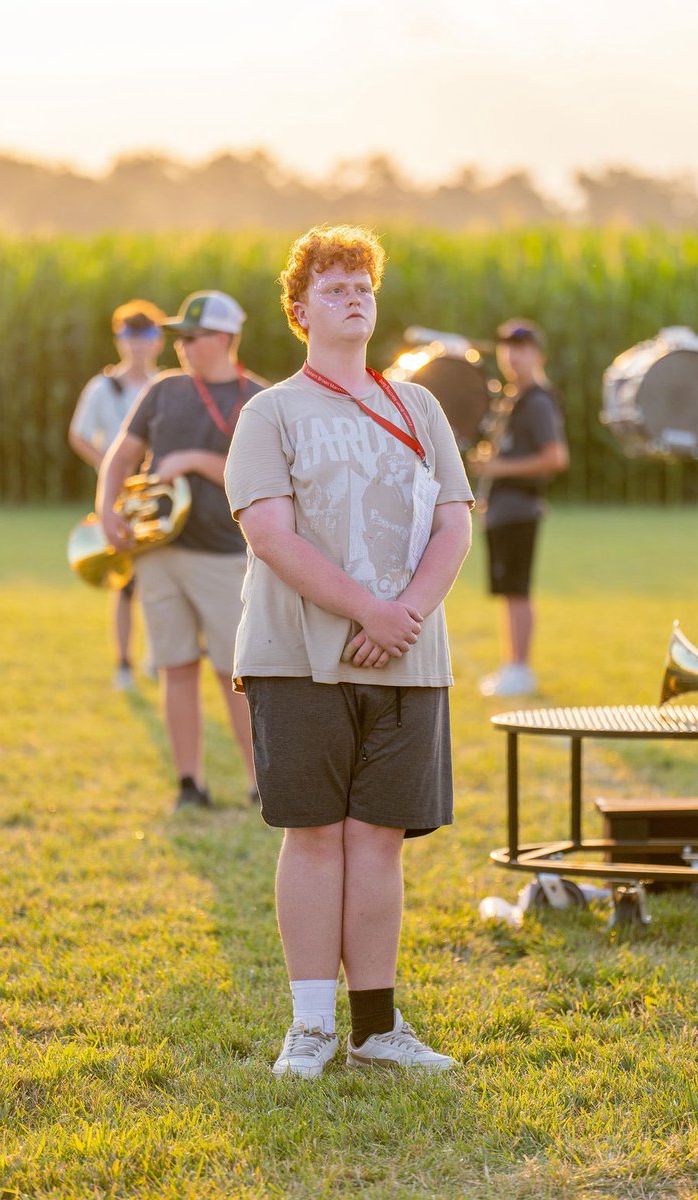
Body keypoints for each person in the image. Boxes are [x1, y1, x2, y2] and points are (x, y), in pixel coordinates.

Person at [224, 225, 473, 1079]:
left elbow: (453, 520)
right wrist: (369, 607)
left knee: (378, 840)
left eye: (362, 282)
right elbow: (268, 534)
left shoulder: (420, 407)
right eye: (333, 286)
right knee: (315, 835)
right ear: (299, 311)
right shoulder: (272, 411)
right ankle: (310, 1026)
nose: (354, 296)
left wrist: (402, 614)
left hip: (409, 654)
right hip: (298, 656)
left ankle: (376, 1027)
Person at [97, 291, 266, 811]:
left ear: (222, 340)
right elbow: (122, 454)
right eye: (180, 338)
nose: (182, 346)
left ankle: (264, 785)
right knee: (175, 668)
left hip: (223, 556)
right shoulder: (164, 390)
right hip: (159, 553)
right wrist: (106, 506)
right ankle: (190, 784)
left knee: (233, 674)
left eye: (191, 337)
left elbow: (262, 477)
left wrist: (192, 459)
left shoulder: (258, 398)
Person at [69, 299, 166, 689]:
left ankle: (158, 658)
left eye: (145, 336)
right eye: (129, 336)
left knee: (160, 582)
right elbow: (78, 435)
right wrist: (111, 467)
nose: (137, 345)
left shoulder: (165, 385)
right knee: (124, 582)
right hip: (120, 499)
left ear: (157, 341)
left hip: (155, 496)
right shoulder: (102, 387)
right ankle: (124, 663)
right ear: (119, 340)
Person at [468, 318, 568, 697]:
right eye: (508, 349)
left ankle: (519, 668)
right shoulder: (512, 397)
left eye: (522, 349)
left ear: (538, 355)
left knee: (517, 590)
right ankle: (512, 665)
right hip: (502, 509)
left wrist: (499, 467)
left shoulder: (538, 400)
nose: (514, 357)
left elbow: (556, 457)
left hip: (520, 508)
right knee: (508, 591)